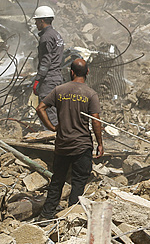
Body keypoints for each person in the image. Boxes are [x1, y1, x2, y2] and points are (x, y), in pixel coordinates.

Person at [36, 58, 103, 220]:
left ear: (71, 72)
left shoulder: (59, 90)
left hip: (62, 145)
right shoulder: (90, 93)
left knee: (57, 180)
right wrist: (100, 143)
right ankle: (71, 216)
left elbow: (40, 108)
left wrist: (52, 127)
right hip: (82, 145)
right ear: (87, 72)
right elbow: (95, 120)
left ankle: (47, 216)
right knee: (79, 181)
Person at [32, 6, 65, 127]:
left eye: (36, 20)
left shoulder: (45, 37)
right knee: (56, 109)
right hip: (57, 77)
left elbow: (46, 62)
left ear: (42, 20)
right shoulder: (56, 35)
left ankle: (51, 136)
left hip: (49, 79)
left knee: (47, 110)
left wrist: (38, 80)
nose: (35, 23)